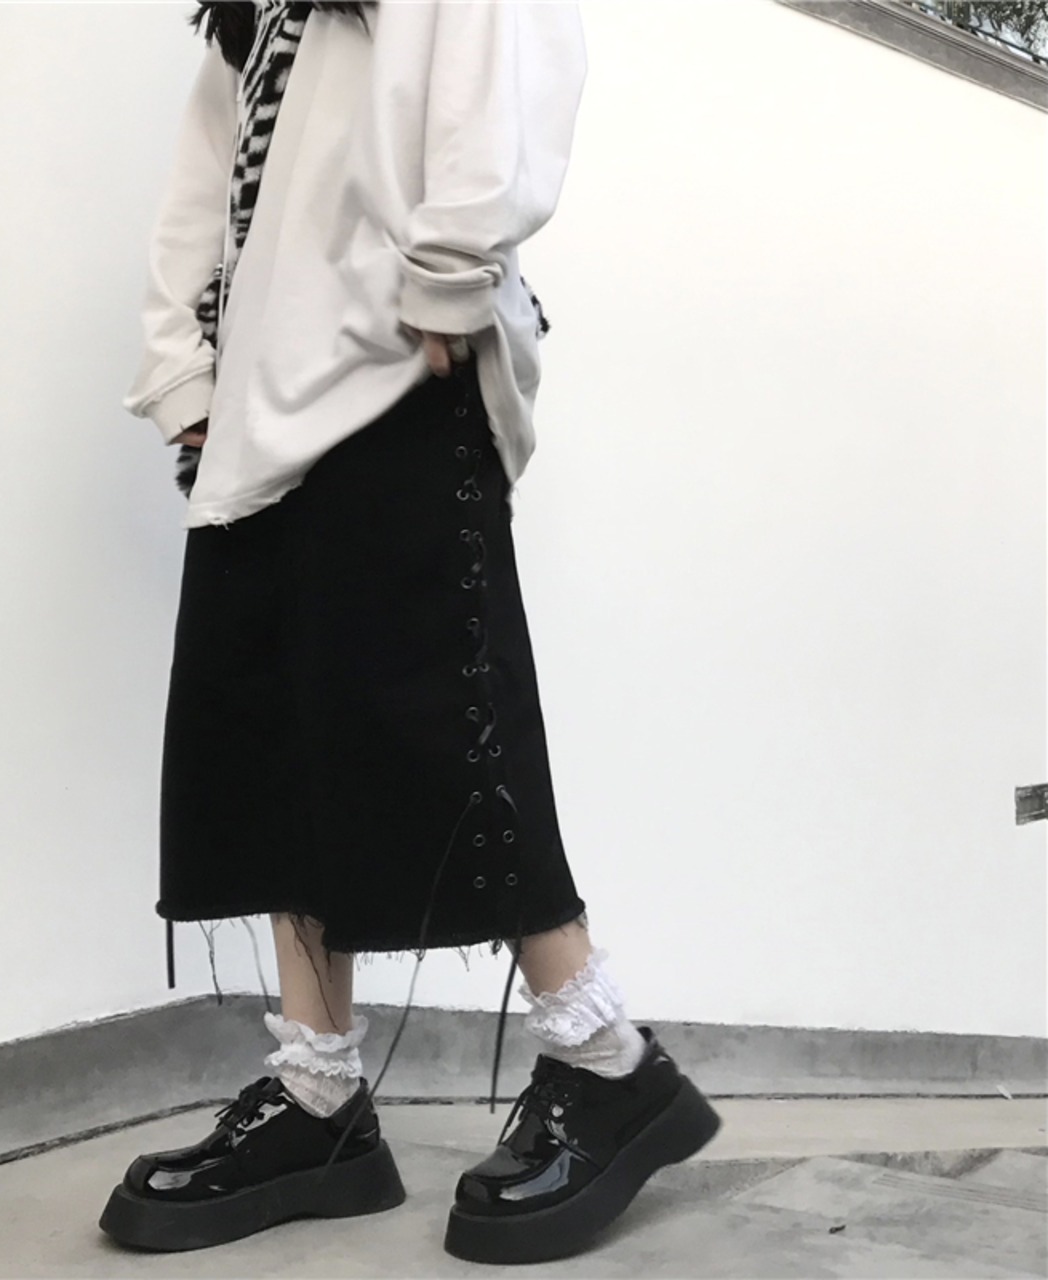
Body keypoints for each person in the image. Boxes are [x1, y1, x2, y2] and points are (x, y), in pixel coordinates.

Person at [99, 0, 721, 1265]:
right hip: (253, 400)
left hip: (390, 370)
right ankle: (319, 1094)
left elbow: (502, 67)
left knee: (443, 719)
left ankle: (604, 1056)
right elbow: (203, 174)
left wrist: (445, 284)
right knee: (274, 733)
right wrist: (181, 367)